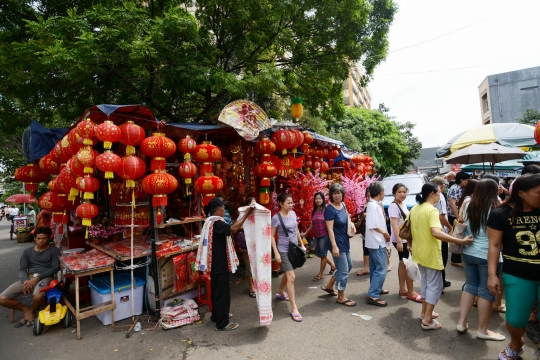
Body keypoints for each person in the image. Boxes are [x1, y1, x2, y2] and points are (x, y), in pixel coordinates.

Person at [487, 174, 540, 359]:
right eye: (538, 193)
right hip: (517, 275)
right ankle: (516, 343)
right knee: (515, 320)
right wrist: (492, 275)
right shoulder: (500, 214)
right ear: (521, 193)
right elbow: (494, 245)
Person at [409, 183, 473, 330]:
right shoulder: (431, 211)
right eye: (439, 193)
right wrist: (460, 240)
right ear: (432, 194)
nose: (441, 195)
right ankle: (427, 319)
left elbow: (407, 230)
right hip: (430, 254)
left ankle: (425, 313)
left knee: (426, 284)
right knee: (435, 286)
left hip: (419, 253)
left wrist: (411, 246)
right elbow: (436, 233)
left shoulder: (415, 209)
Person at [456, 179, 505, 341]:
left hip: (468, 251)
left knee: (470, 286)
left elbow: (461, 222)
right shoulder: (497, 207)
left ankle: (461, 322)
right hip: (488, 256)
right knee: (485, 291)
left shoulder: (468, 204)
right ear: (494, 190)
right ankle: (482, 330)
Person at [197, 197, 254, 331]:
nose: (224, 210)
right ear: (218, 210)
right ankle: (222, 323)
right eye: (223, 208)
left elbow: (230, 227)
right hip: (219, 263)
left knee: (217, 291)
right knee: (222, 293)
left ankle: (216, 316)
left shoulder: (210, 222)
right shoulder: (216, 222)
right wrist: (246, 214)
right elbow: (233, 229)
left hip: (214, 262)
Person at [0, 227, 59, 328]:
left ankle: (32, 311)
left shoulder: (54, 251)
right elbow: (22, 269)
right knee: (2, 299)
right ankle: (25, 309)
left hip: (45, 277)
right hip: (27, 278)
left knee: (38, 296)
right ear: (35, 238)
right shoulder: (27, 252)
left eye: (44, 238)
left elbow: (54, 268)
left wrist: (37, 279)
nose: (41, 241)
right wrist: (25, 280)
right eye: (39, 238)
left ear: (49, 238)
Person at [271, 193, 307, 322]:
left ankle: (280, 291)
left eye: (292, 203)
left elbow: (296, 229)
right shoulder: (276, 218)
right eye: (288, 203)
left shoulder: (293, 214)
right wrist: (275, 253)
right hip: (283, 250)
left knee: (289, 272)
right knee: (291, 277)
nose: (291, 205)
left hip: (294, 249)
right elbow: (271, 236)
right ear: (281, 204)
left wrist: (302, 243)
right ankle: (294, 308)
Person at [320, 183, 356, 307]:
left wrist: (352, 225)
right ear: (331, 195)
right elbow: (330, 229)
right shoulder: (330, 210)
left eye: (339, 193)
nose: (337, 195)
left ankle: (329, 285)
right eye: (335, 193)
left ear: (342, 194)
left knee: (349, 266)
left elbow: (347, 219)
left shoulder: (343, 205)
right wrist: (334, 246)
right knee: (344, 270)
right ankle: (341, 296)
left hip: (345, 241)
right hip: (336, 243)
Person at [388, 183, 421, 303]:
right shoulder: (393, 206)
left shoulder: (402, 203)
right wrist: (399, 241)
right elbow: (394, 224)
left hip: (404, 239)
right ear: (394, 193)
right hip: (401, 239)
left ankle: (403, 289)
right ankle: (411, 291)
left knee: (403, 263)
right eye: (399, 192)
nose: (402, 194)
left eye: (404, 192)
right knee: (408, 264)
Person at [364, 181, 391, 307]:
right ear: (381, 192)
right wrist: (385, 234)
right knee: (381, 268)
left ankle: (375, 289)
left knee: (375, 268)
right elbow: (373, 225)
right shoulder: (373, 205)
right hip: (377, 241)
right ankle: (373, 294)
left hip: (374, 241)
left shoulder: (374, 204)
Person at [302, 192, 336, 282]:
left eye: (320, 198)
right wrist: (306, 232)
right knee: (319, 254)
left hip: (324, 236)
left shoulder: (326, 210)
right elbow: (312, 224)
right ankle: (332, 265)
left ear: (323, 199)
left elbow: (330, 223)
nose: (318, 200)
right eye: (316, 199)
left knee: (323, 255)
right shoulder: (314, 211)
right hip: (316, 236)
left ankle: (320, 274)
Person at [431, 176, 454, 289]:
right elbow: (441, 216)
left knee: (441, 258)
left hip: (437, 230)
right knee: (441, 259)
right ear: (442, 186)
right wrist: (450, 227)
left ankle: (442, 280)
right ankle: (439, 283)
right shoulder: (439, 197)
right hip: (440, 231)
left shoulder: (433, 196)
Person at [447, 172, 471, 268]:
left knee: (459, 236)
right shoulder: (454, 188)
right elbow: (452, 204)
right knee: (457, 236)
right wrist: (458, 217)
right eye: (467, 180)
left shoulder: (461, 189)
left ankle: (457, 258)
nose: (468, 182)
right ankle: (455, 260)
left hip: (458, 216)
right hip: (454, 216)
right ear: (461, 180)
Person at [236, 197, 256, 298]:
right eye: (252, 203)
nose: (254, 205)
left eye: (255, 203)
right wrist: (246, 228)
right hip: (247, 244)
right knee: (249, 267)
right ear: (248, 205)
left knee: (257, 265)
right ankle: (251, 287)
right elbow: (236, 226)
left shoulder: (258, 214)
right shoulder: (242, 214)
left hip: (257, 244)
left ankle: (256, 285)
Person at [356, 188, 371, 276]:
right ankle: (366, 268)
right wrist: (359, 222)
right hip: (365, 231)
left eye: (370, 196)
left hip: (373, 231)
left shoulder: (377, 205)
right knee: (365, 249)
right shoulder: (366, 205)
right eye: (367, 196)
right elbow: (364, 216)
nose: (368, 198)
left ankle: (388, 263)